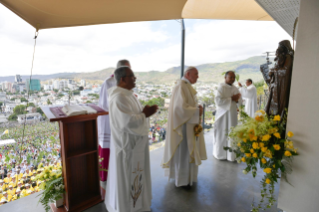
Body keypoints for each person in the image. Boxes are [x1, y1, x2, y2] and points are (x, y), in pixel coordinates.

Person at [105, 66, 158, 212]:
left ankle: (138, 206)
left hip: (135, 145)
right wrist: (144, 115)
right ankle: (128, 208)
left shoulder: (128, 95)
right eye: (132, 76)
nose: (135, 79)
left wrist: (143, 113)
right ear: (122, 79)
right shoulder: (118, 97)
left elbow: (133, 116)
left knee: (135, 176)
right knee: (128, 177)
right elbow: (126, 122)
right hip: (127, 147)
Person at [162, 66, 207, 187]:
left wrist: (197, 109)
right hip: (183, 127)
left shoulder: (186, 86)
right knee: (184, 152)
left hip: (188, 126)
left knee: (187, 152)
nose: (198, 76)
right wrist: (197, 111)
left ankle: (187, 178)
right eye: (195, 74)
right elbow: (179, 108)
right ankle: (182, 179)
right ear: (187, 74)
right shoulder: (181, 86)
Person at [97, 59, 131, 182]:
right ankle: (106, 177)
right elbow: (106, 104)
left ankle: (120, 174)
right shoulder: (108, 82)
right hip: (109, 120)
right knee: (109, 147)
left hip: (122, 120)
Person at [213, 71, 242, 161]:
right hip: (223, 114)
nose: (233, 79)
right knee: (222, 133)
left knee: (231, 132)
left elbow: (240, 101)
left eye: (234, 77)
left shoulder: (235, 88)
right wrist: (231, 99)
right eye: (230, 77)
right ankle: (220, 154)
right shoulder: (221, 87)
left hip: (232, 113)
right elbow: (218, 101)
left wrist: (237, 100)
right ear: (225, 78)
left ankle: (231, 156)